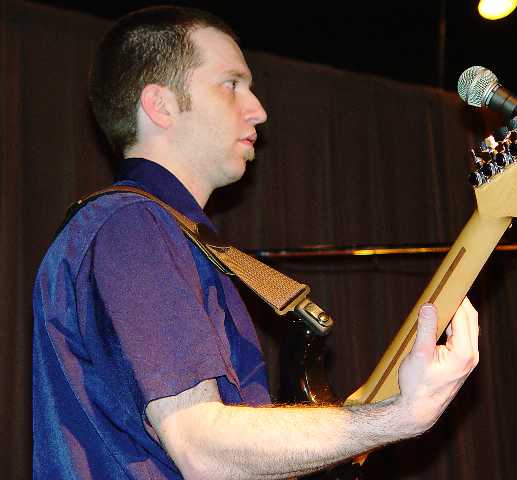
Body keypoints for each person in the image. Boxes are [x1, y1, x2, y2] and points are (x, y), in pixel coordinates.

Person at [32, 5, 479, 479]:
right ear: (160, 105)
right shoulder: (132, 225)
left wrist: (371, 414)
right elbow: (201, 448)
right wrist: (396, 417)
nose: (259, 110)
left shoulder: (165, 233)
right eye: (232, 84)